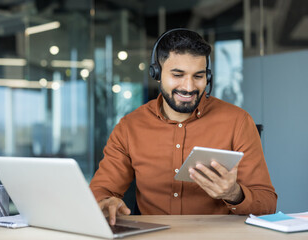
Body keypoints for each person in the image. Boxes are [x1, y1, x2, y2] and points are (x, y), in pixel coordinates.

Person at [89, 29, 277, 225]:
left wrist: (234, 194)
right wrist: (105, 202)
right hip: (153, 237)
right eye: (178, 75)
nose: (189, 87)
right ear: (157, 73)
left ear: (208, 77)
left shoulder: (237, 122)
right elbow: (100, 192)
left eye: (198, 76)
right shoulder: (130, 127)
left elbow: (267, 203)